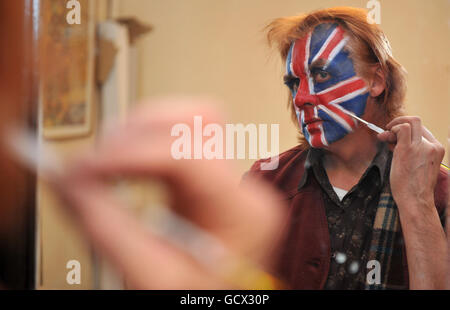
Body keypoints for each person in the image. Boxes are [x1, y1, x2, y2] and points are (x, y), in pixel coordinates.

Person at [245, 7, 449, 289]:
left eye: (322, 74)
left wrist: (419, 203)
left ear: (376, 81)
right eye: (294, 83)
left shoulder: (440, 191)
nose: (301, 98)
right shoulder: (265, 182)